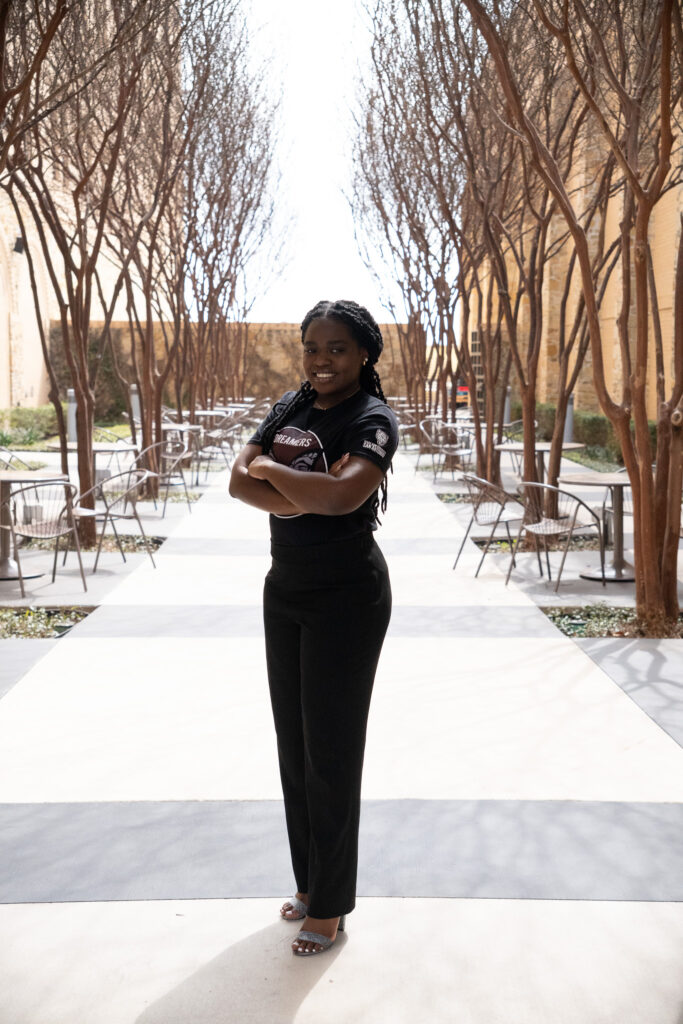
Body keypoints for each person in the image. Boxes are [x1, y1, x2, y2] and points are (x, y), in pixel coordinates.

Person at [229, 299, 398, 957]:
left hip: (348, 597)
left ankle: (330, 907)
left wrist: (275, 471)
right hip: (285, 589)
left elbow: (340, 497)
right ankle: (310, 881)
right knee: (295, 750)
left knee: (330, 753)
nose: (321, 360)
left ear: (362, 355)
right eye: (312, 347)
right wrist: (300, 480)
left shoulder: (372, 418)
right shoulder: (290, 405)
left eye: (335, 349)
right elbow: (236, 485)